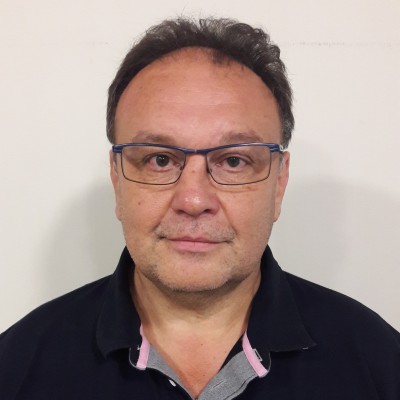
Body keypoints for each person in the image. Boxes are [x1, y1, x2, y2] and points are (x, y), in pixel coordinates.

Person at [0, 17, 399, 400]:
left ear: (279, 183)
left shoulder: (382, 365)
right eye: (159, 159)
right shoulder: (14, 368)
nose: (193, 201)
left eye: (234, 161)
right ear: (117, 180)